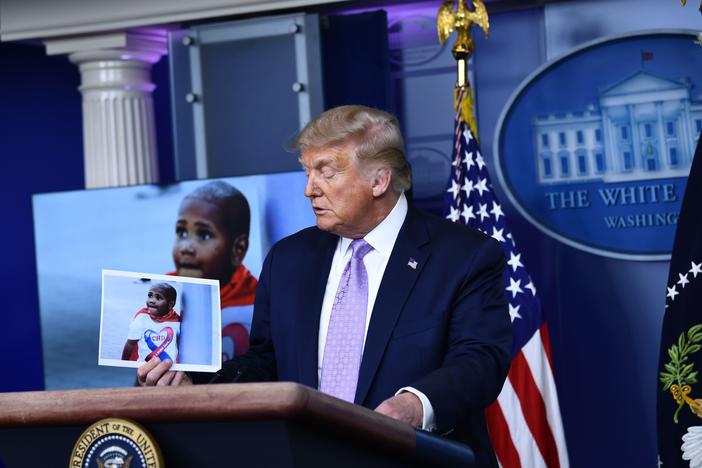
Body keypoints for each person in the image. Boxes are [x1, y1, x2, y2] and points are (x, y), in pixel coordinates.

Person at [138, 105, 512, 467]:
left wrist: (416, 404)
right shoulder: (289, 258)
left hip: (415, 459)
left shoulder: (464, 257)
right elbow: (268, 362)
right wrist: (197, 380)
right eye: (307, 172)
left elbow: (479, 360)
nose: (309, 190)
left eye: (326, 172)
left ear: (379, 180)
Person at [171, 181, 258, 359]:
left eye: (204, 235)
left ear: (237, 250)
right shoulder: (164, 295)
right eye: (181, 233)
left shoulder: (257, 305)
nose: (186, 247)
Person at [122, 282, 180, 362]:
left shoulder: (177, 322)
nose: (152, 300)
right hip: (143, 366)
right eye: (150, 296)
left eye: (158, 298)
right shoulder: (142, 318)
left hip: (167, 367)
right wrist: (123, 364)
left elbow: (181, 349)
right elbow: (130, 344)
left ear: (170, 304)